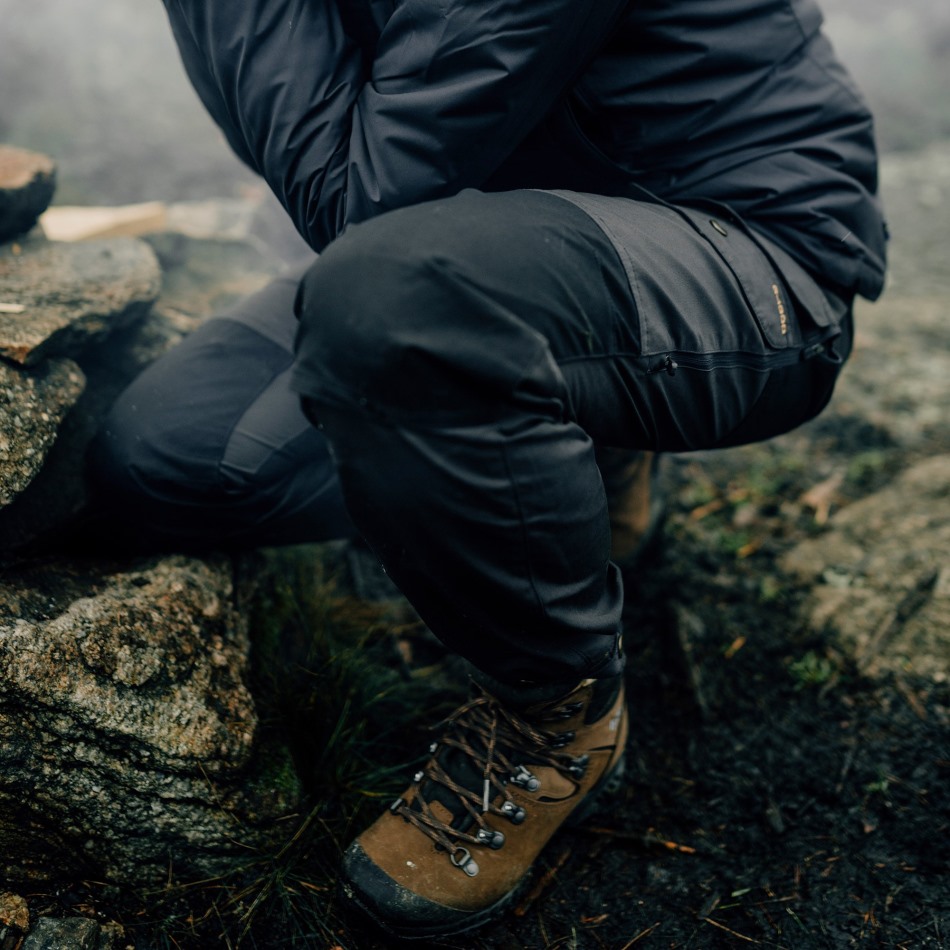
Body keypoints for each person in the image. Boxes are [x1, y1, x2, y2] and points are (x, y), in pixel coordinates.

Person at [89, 0, 887, 939]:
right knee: (170, 456)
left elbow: (358, 198)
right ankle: (571, 436)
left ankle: (556, 712)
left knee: (392, 305)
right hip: (495, 233)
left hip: (744, 240)